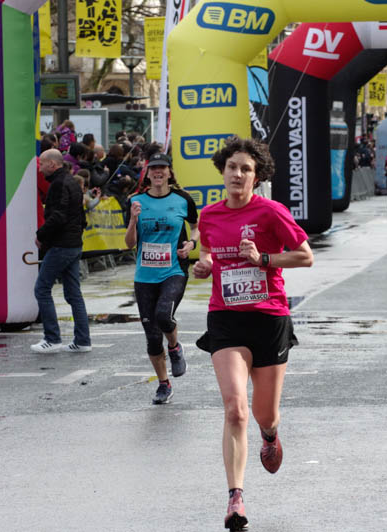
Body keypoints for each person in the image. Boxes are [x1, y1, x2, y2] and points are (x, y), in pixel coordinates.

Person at [192, 136, 313, 531]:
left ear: (256, 176)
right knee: (235, 409)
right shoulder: (209, 216)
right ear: (222, 172)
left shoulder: (271, 212)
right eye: (232, 167)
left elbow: (305, 256)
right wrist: (204, 265)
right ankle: (235, 498)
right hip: (225, 318)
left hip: (269, 318)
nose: (238, 174)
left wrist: (264, 259)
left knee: (264, 414)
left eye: (246, 169)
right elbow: (207, 252)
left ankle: (270, 435)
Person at [125, 153, 198, 405]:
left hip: (174, 270)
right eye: (153, 168)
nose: (158, 172)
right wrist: (133, 219)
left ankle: (175, 347)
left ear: (169, 172)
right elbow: (129, 243)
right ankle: (164, 384)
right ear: (147, 173)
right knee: (153, 336)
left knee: (164, 315)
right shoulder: (135, 201)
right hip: (145, 275)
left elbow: (196, 226)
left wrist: (191, 243)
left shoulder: (182, 199)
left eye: (162, 168)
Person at [30, 149, 92, 353]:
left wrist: (41, 235)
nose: (40, 169)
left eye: (42, 164)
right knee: (74, 294)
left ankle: (52, 338)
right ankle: (82, 340)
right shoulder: (73, 181)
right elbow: (80, 217)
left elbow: (58, 216)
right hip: (74, 244)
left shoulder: (58, 184)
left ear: (52, 164)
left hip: (61, 245)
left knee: (41, 288)